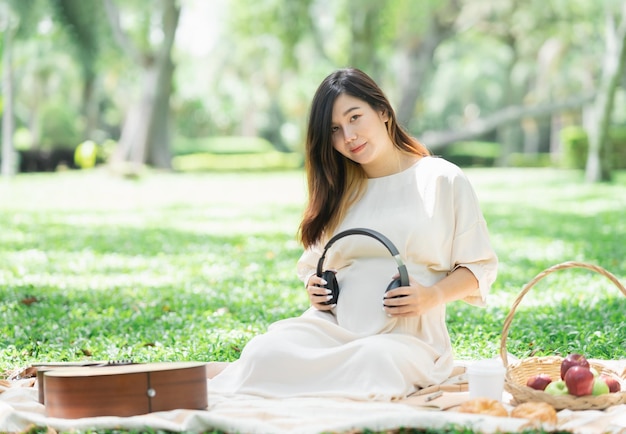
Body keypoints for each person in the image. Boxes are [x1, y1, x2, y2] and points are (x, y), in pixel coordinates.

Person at [208, 67, 498, 400]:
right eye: (334, 129)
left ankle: (307, 387)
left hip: (405, 339)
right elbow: (313, 264)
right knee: (263, 352)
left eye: (355, 117)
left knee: (374, 365)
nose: (349, 136)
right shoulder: (340, 190)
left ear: (384, 112)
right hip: (332, 328)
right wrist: (313, 287)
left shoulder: (442, 179)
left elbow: (479, 268)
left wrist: (431, 297)